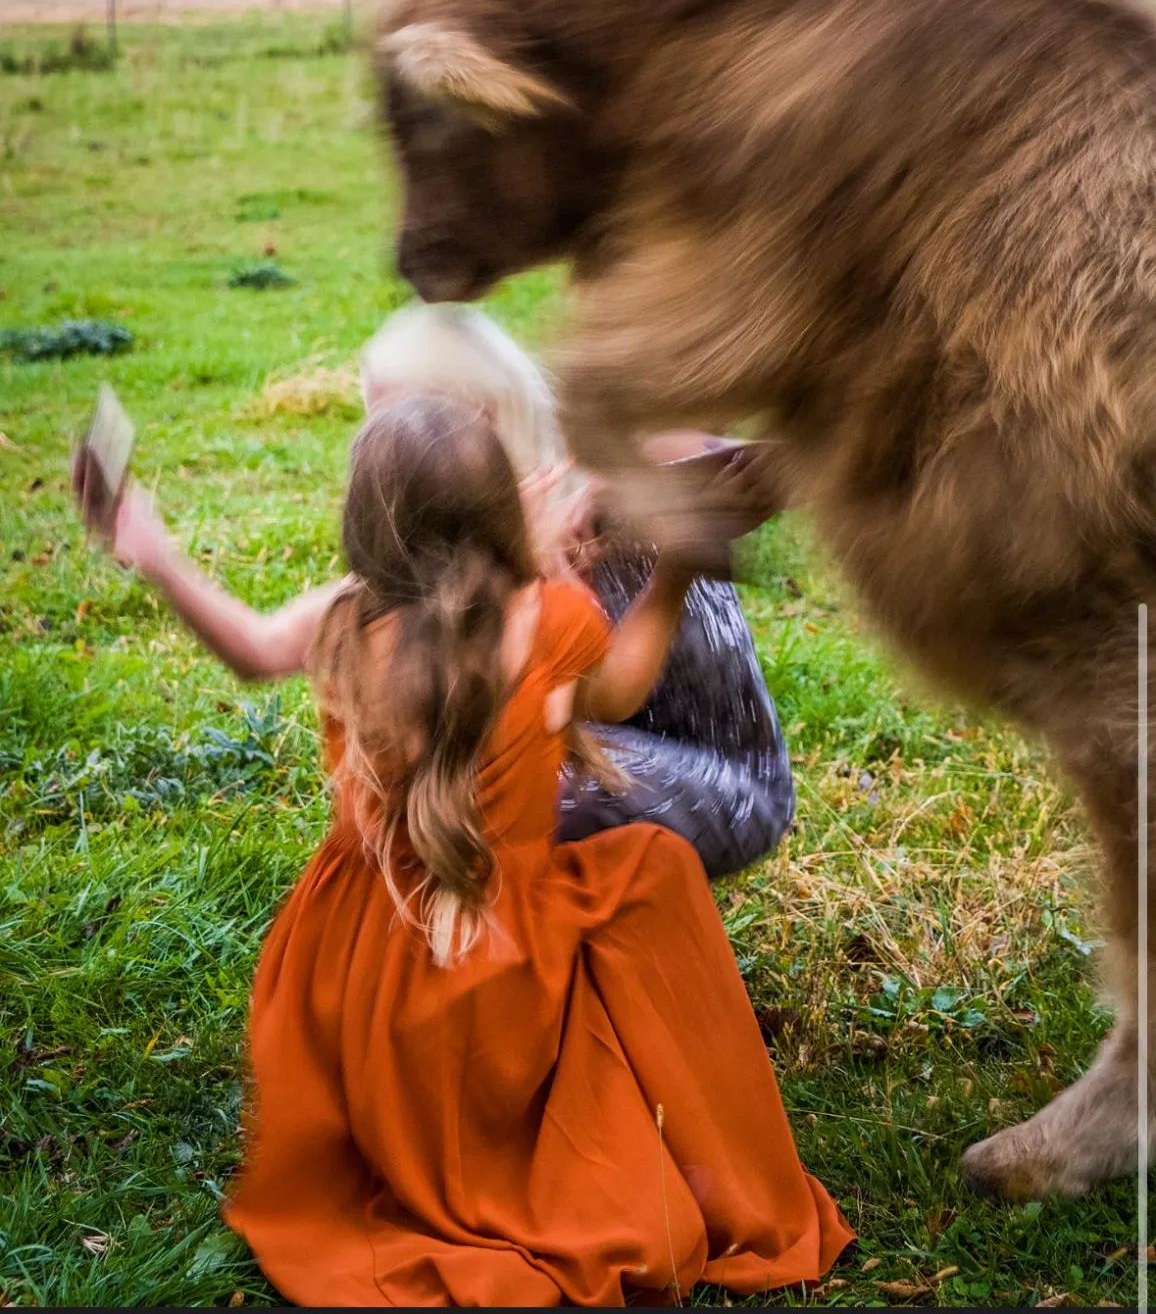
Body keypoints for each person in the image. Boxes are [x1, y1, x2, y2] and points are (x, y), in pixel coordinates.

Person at [204, 393, 849, 1305]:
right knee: (651, 870)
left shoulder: (346, 623)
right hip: (490, 994)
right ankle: (682, 1144)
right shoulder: (550, 619)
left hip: (357, 987)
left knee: (620, 875)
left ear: (367, 522)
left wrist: (147, 547)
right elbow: (621, 693)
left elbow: (245, 642)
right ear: (504, 512)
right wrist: (669, 575)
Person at [74, 303, 795, 880]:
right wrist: (158, 557)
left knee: (470, 787)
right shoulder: (448, 554)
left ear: (482, 419)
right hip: (609, 738)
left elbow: (710, 448)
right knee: (447, 782)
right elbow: (268, 647)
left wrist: (624, 506)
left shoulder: (581, 492)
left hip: (724, 783)